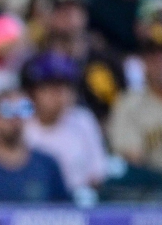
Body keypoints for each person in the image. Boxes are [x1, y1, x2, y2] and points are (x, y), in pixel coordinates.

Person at [107, 29, 162, 190]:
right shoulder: (129, 104)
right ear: (145, 64)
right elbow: (132, 157)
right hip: (153, 193)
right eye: (155, 58)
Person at [22, 52, 107, 192]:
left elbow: (98, 175)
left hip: (78, 205)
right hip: (33, 205)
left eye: (65, 86)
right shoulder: (22, 124)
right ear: (32, 92)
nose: (59, 94)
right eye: (50, 87)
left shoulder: (82, 120)